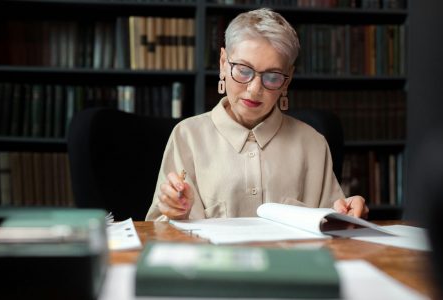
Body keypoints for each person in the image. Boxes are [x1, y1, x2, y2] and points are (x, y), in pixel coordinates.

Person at [146, 8, 368, 221]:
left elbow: (333, 227)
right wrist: (174, 214)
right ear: (223, 64)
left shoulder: (313, 143)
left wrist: (348, 215)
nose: (254, 89)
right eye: (243, 70)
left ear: (287, 79)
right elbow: (157, 231)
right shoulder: (187, 137)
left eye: (272, 77)